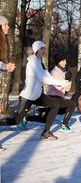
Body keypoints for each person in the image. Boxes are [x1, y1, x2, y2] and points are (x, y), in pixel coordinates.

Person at [15, 41, 70, 140]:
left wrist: (62, 81)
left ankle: (46, 132)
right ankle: (19, 120)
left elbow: (47, 76)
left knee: (55, 104)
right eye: (41, 48)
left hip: (37, 95)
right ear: (36, 50)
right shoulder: (33, 62)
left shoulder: (40, 62)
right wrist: (61, 83)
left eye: (44, 48)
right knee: (15, 121)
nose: (43, 50)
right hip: (27, 96)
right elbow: (44, 79)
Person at [47, 53, 76, 133]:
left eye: (65, 61)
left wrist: (69, 80)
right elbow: (57, 88)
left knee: (71, 104)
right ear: (58, 62)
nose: (65, 63)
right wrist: (66, 81)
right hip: (52, 97)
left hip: (59, 97)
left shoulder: (62, 72)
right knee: (72, 104)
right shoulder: (54, 72)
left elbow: (67, 89)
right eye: (63, 61)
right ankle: (64, 125)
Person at [0, 15, 16, 151]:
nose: (8, 27)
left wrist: (7, 67)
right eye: (5, 25)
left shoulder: (3, 42)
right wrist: (5, 66)